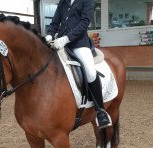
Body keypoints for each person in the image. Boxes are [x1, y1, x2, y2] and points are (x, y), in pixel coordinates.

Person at [45, 0, 111, 129]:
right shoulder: (63, 1)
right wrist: (49, 35)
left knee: (91, 72)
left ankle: (100, 112)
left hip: (78, 43)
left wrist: (67, 38)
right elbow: (55, 21)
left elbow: (84, 22)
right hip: (59, 43)